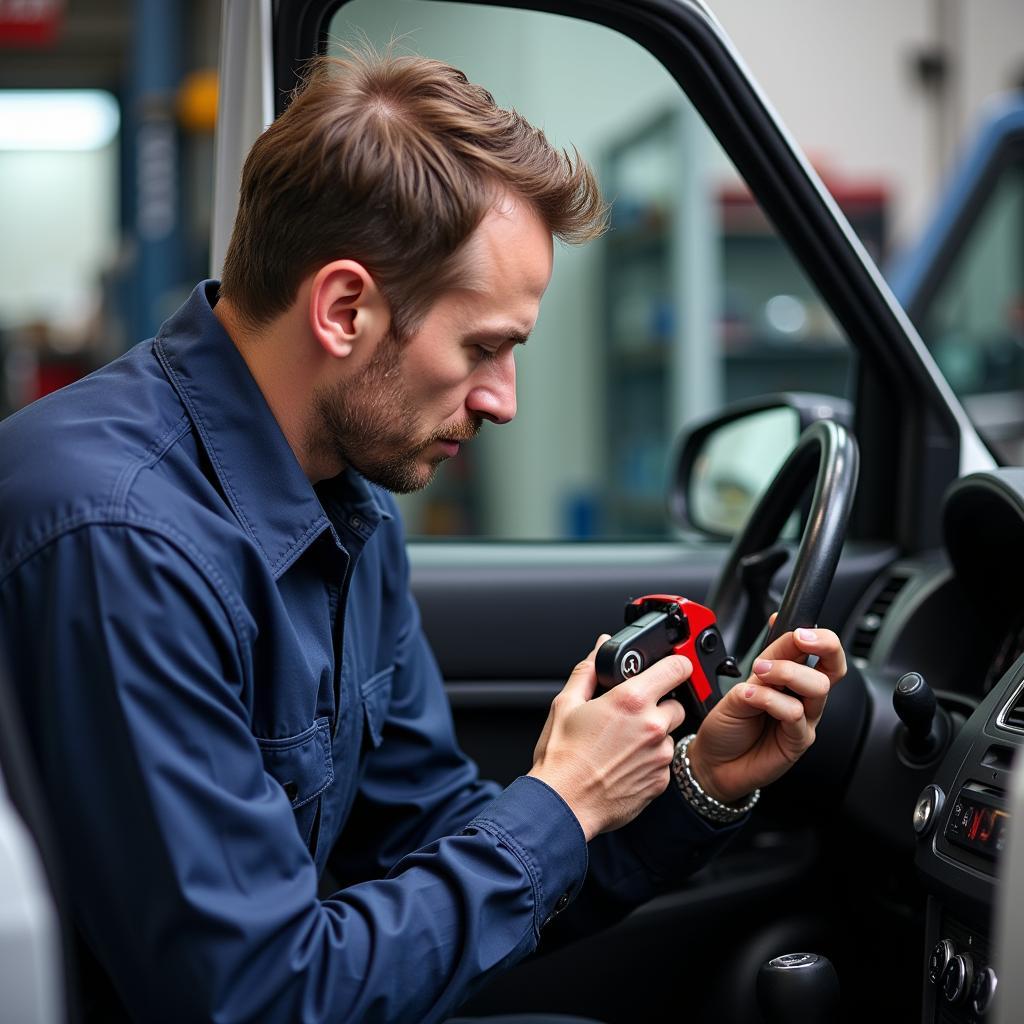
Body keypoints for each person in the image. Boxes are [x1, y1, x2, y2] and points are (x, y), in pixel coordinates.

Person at [0, 50, 846, 1023]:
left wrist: (690, 782)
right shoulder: (125, 543)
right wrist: (561, 800)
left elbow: (428, 852)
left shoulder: (345, 506)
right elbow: (257, 999)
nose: (503, 400)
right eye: (482, 347)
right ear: (345, 308)